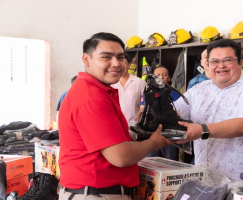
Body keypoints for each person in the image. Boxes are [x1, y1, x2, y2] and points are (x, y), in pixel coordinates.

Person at [58, 32, 172, 200]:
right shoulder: (91, 97)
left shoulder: (96, 91)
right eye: (106, 57)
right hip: (96, 194)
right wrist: (153, 143)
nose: (116, 64)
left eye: (121, 57)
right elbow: (121, 156)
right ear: (86, 59)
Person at [173, 39, 243, 180]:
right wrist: (156, 112)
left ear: (240, 63)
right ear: (208, 64)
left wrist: (202, 130)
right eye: (214, 61)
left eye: (227, 60)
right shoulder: (198, 90)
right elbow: (176, 111)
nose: (221, 66)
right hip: (206, 179)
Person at [135, 66, 180, 161]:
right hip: (151, 134)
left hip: (169, 134)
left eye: (164, 75)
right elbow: (143, 109)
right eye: (158, 75)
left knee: (170, 162)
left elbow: (180, 113)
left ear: (169, 78)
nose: (161, 77)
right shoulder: (148, 92)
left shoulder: (175, 93)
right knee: (151, 161)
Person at [111, 53, 146, 137]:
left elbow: (146, 105)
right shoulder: (110, 84)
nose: (120, 66)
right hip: (115, 130)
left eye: (124, 63)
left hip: (135, 130)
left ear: (129, 65)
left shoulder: (140, 83)